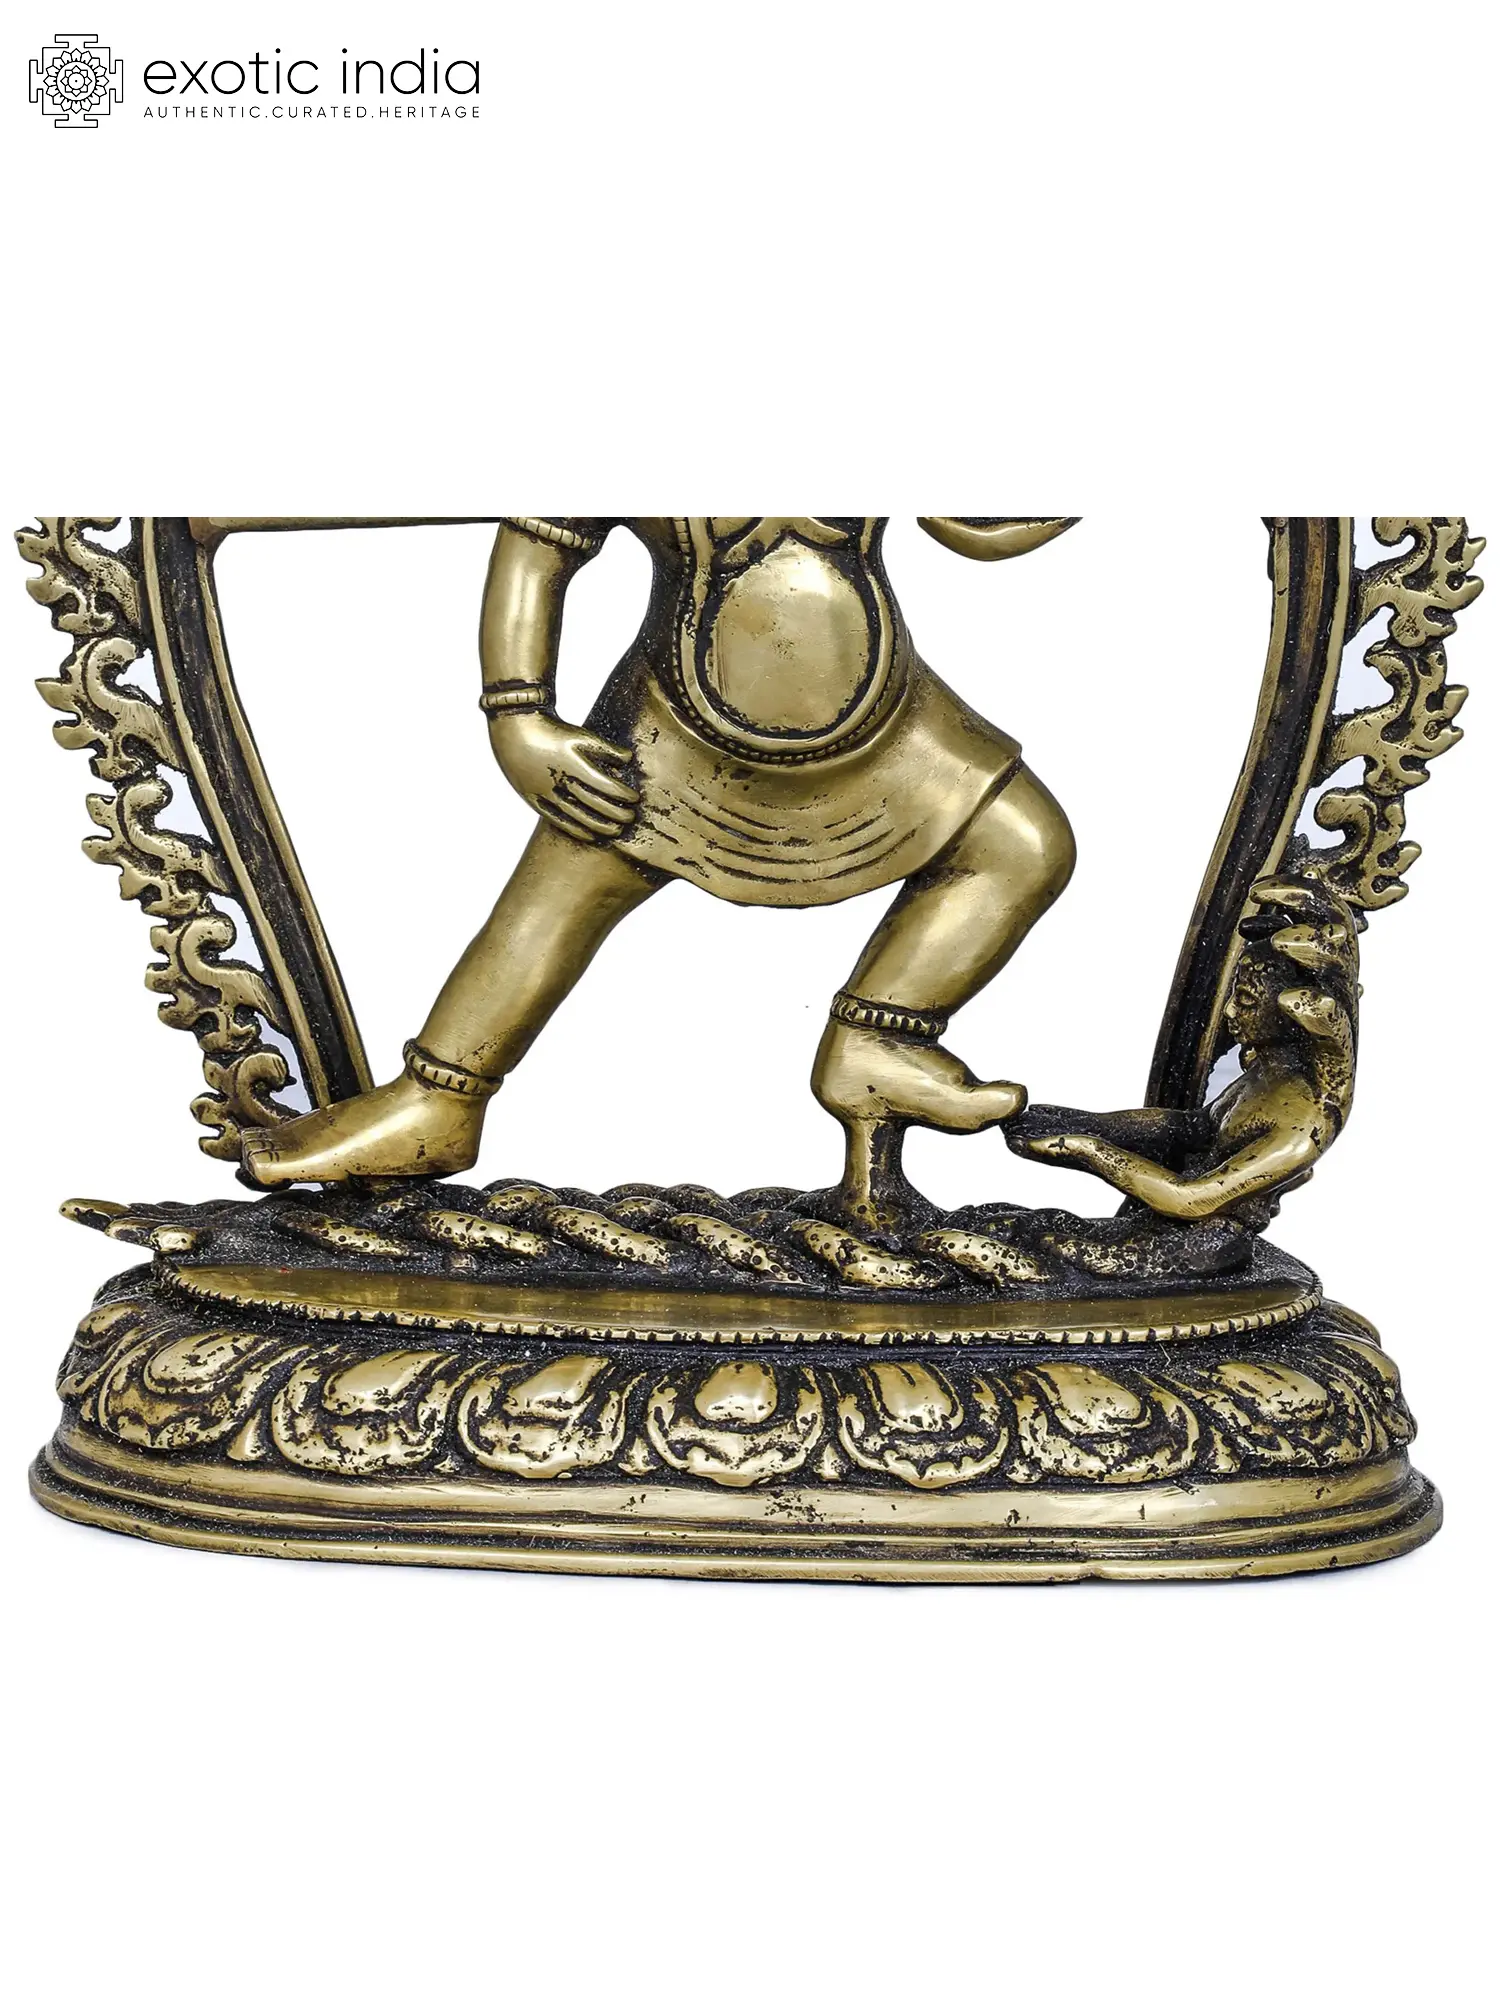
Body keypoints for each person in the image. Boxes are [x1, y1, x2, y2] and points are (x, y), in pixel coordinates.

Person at [243, 516, 1077, 1224]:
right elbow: (540, 543)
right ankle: (439, 1099)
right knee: (548, 912)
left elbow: (979, 528)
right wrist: (519, 716)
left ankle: (878, 1041)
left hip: (895, 739)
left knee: (1020, 846)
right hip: (663, 746)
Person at [1008, 875, 1360, 1221]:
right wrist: (1087, 1123)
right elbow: (1190, 1128)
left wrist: (1088, 1150)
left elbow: (1191, 1199)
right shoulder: (1264, 1079)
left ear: (1287, 1015)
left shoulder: (1302, 1125)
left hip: (1211, 1245)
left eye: (1245, 1001)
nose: (1229, 1011)